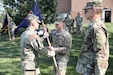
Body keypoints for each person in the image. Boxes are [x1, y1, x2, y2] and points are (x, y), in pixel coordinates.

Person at [76, 0, 109, 75]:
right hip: (87, 68)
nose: (84, 13)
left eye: (86, 10)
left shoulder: (97, 28)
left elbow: (101, 55)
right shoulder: (92, 26)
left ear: (94, 10)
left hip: (91, 71)